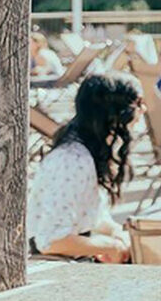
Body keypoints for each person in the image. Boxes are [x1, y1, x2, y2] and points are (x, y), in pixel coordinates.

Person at [27, 73, 145, 262]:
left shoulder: (85, 151)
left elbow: (88, 215)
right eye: (138, 103)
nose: (143, 110)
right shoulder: (73, 160)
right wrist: (111, 247)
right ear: (115, 113)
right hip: (53, 268)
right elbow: (51, 241)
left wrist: (116, 233)